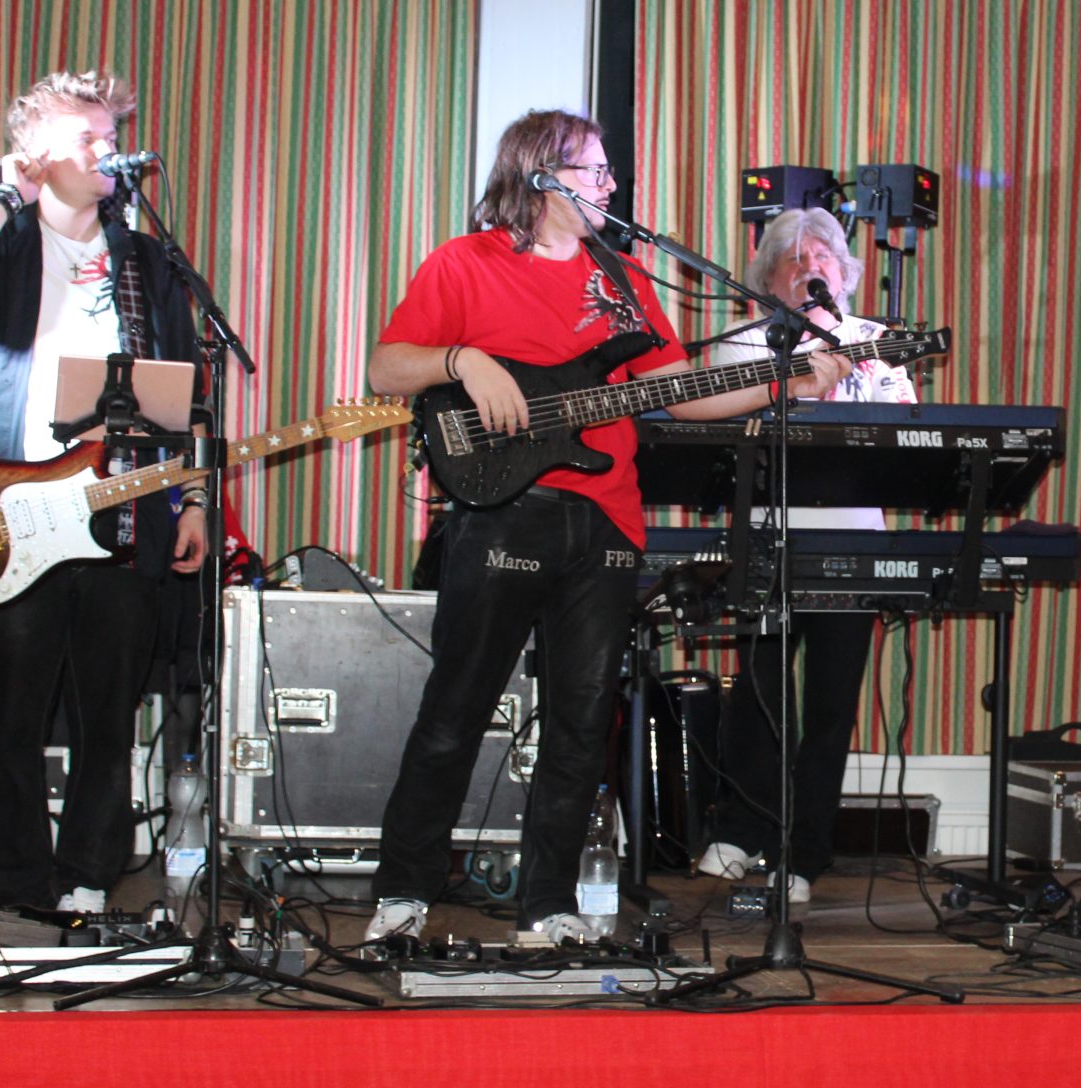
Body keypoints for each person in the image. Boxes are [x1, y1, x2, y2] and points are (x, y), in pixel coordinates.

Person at [362, 111, 848, 947]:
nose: (610, 184)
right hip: (503, 513)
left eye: (608, 171)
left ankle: (547, 905)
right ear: (541, 176)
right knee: (457, 708)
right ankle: (403, 890)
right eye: (594, 170)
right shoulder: (465, 261)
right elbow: (385, 366)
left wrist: (791, 380)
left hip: (608, 521)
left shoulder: (620, 278)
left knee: (583, 722)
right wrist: (463, 361)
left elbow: (681, 393)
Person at [0, 69, 208, 915]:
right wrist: (8, 192)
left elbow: (185, 387)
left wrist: (190, 501)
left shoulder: (146, 261)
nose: (108, 149)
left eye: (112, 135)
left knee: (108, 715)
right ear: (38, 151)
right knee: (15, 712)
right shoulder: (4, 241)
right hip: (16, 506)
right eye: (88, 137)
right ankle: (15, 885)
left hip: (120, 506)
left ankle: (87, 880)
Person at [693, 207, 916, 904]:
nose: (809, 267)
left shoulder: (874, 342)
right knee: (759, 690)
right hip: (766, 535)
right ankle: (742, 830)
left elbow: (905, 431)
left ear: (843, 274)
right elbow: (727, 427)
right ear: (769, 280)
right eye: (794, 259)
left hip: (853, 542)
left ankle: (805, 850)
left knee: (831, 704)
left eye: (822, 257)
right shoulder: (741, 344)